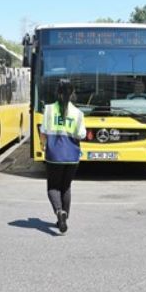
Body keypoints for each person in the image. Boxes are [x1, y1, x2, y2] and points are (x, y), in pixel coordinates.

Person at [39, 79, 87, 235]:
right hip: (72, 156)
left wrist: (43, 146)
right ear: (72, 94)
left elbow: (43, 131)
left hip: (54, 155)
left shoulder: (49, 109)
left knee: (53, 187)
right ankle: (64, 215)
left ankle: (59, 212)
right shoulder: (78, 113)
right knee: (66, 187)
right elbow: (82, 134)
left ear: (57, 92)